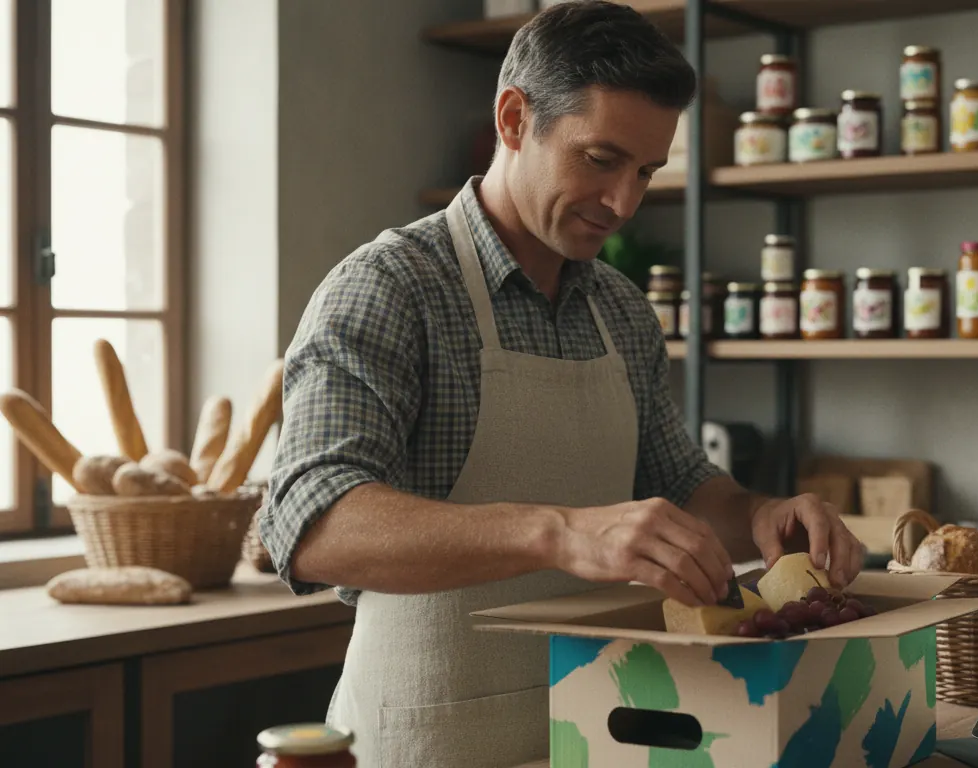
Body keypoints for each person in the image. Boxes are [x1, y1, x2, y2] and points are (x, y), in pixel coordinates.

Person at [259, 2, 862, 765]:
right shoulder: (390, 287)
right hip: (426, 740)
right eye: (601, 160)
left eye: (645, 171)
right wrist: (560, 532)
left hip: (606, 734)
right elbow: (309, 523)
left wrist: (765, 513)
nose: (624, 204)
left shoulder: (620, 309)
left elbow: (679, 486)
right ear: (514, 119)